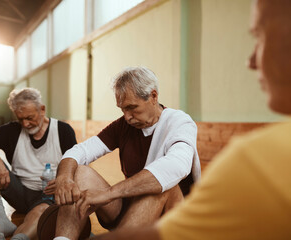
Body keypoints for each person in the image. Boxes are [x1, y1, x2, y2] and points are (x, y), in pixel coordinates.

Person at [90, 0, 291, 239]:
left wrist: (112, 192)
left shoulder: (264, 161)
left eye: (261, 37)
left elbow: (174, 171)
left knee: (162, 182)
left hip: (166, 206)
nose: (252, 61)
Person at [52, 66, 201, 240]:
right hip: (132, 212)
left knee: (163, 183)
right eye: (122, 109)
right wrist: (64, 178)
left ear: (153, 97)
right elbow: (80, 151)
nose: (127, 116)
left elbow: (176, 166)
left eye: (132, 107)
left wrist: (108, 194)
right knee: (79, 171)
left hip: (173, 219)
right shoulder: (124, 125)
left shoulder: (180, 122)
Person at [0, 88, 77, 240]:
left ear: (42, 109)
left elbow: (78, 164)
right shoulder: (12, 130)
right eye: (21, 119)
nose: (25, 123)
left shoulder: (63, 130)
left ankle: (19, 238)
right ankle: (0, 219)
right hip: (19, 192)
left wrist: (63, 179)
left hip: (47, 195)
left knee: (38, 213)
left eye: (30, 117)